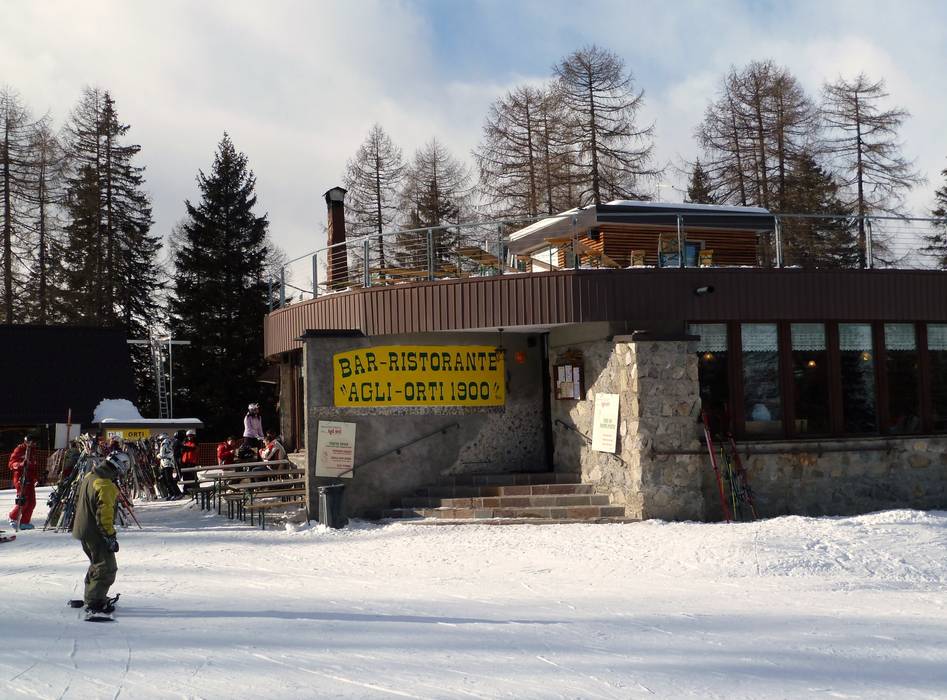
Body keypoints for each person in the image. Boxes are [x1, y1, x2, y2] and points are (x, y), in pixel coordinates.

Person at [72, 451, 129, 614]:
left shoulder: (90, 476)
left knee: (97, 564)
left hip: (83, 529)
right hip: (95, 532)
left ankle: (92, 596)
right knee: (107, 567)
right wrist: (109, 536)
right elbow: (105, 514)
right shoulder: (105, 484)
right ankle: (95, 602)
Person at [8, 431, 39, 530]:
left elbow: (33, 467)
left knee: (32, 502)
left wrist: (36, 478)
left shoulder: (33, 451)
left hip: (30, 478)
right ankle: (13, 517)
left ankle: (25, 522)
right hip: (21, 478)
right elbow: (11, 464)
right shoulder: (20, 449)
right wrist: (20, 464)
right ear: (28, 441)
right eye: (33, 442)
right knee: (23, 500)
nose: (35, 444)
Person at [157, 434, 182, 500]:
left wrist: (158, 455)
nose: (159, 441)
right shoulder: (166, 443)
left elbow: (163, 454)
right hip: (165, 464)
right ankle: (172, 493)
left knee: (169, 480)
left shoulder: (165, 444)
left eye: (160, 440)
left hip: (167, 464)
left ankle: (177, 493)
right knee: (166, 480)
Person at [180, 429, 199, 494]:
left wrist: (185, 447)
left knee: (192, 476)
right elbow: (182, 451)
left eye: (191, 436)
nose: (190, 437)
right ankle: (186, 490)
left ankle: (194, 488)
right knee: (185, 476)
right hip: (185, 462)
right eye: (188, 436)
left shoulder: (195, 443)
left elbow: (194, 449)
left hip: (191, 462)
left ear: (193, 436)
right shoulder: (185, 442)